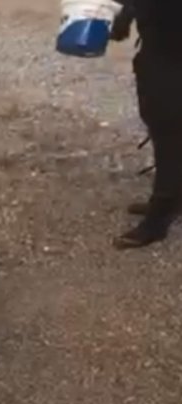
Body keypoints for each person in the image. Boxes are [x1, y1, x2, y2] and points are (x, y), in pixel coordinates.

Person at [109, 0, 182, 249]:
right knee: (163, 123)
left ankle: (159, 218)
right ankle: (173, 197)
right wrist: (127, 14)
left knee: (169, 131)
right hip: (161, 45)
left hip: (172, 51)